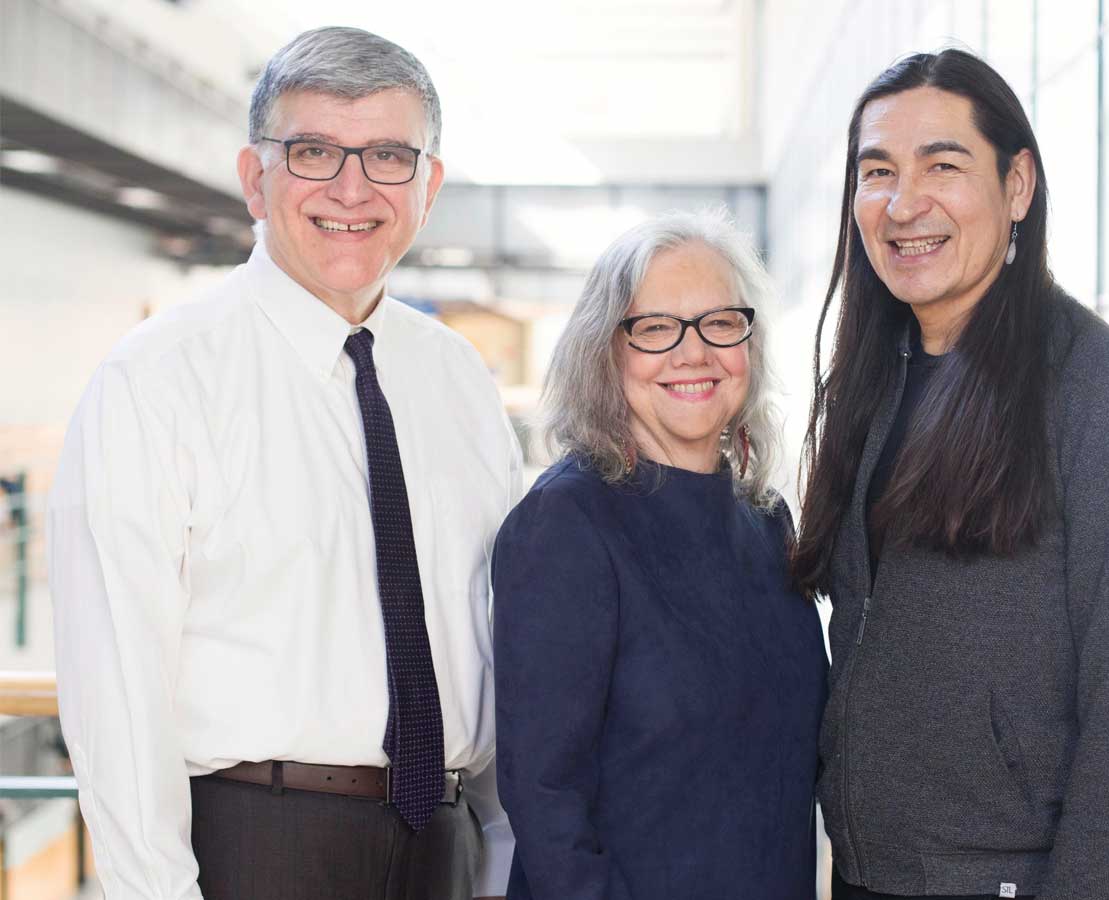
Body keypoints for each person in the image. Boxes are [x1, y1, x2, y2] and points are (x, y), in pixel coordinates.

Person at [48, 26, 519, 900]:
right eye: (313, 151)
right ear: (254, 179)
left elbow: (486, 643)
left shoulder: (459, 381)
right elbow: (117, 700)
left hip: (443, 847)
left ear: (429, 187)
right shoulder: (155, 381)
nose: (352, 187)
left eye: (387, 154)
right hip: (253, 850)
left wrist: (497, 862)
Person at [791, 49, 1109, 900]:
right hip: (864, 876)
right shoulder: (874, 374)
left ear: (1017, 186)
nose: (903, 203)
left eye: (944, 164)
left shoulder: (1095, 385)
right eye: (878, 171)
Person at [492, 210, 828, 900]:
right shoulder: (567, 524)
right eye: (655, 328)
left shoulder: (767, 526)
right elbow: (546, 799)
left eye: (719, 322)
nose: (693, 352)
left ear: (750, 343)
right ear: (604, 352)